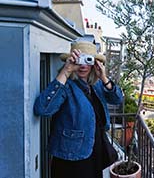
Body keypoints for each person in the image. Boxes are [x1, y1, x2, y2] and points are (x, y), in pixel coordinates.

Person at [34, 40, 123, 178]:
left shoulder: (96, 84)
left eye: (88, 60)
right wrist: (67, 70)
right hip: (71, 156)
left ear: (94, 63)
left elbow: (117, 99)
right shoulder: (66, 85)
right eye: (79, 60)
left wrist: (104, 77)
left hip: (93, 150)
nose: (83, 65)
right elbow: (43, 108)